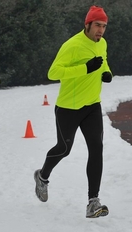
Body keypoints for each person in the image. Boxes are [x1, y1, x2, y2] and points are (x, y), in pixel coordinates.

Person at [33, 5, 112, 218]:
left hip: (92, 105)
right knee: (64, 148)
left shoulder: (102, 43)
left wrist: (107, 73)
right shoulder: (72, 45)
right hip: (68, 108)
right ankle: (42, 176)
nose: (101, 31)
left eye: (104, 26)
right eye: (97, 25)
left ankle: (93, 202)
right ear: (87, 24)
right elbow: (53, 72)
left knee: (96, 149)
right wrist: (85, 69)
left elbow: (102, 62)